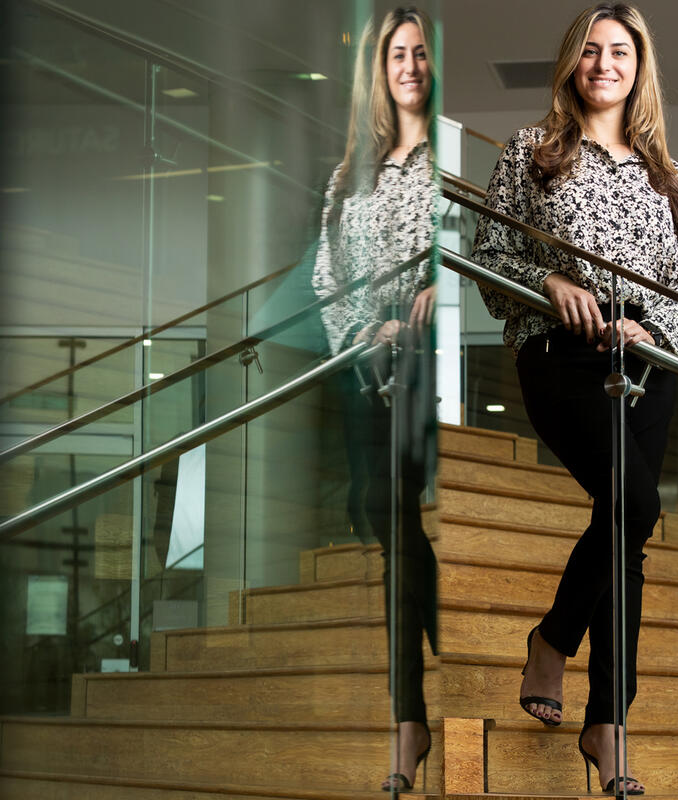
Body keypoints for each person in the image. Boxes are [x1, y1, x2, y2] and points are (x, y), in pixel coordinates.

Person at [472, 3, 678, 795]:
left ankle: (608, 724)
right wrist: (547, 280)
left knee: (625, 532)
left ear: (639, 69)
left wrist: (654, 328)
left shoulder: (667, 174)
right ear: (571, 63)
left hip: (647, 359)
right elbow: (489, 251)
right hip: (561, 351)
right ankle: (553, 639)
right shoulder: (531, 151)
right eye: (591, 51)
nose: (605, 64)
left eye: (621, 53)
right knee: (634, 507)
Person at [311, 6, 438, 794]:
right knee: (377, 511)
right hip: (366, 359)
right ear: (378, 68)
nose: (410, 66)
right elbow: (327, 274)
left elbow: (472, 247)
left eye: (421, 52)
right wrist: (364, 330)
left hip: (426, 361)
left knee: (392, 509)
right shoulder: (349, 171)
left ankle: (409, 720)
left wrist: (436, 291)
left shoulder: (447, 153)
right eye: (397, 53)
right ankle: (434, 652)